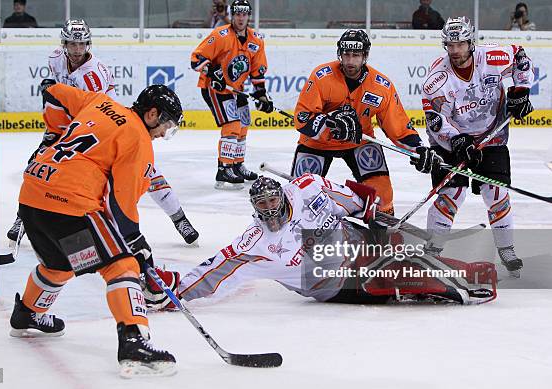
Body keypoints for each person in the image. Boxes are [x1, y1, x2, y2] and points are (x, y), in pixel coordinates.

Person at [9, 80, 183, 377]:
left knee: (59, 263)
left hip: (32, 196)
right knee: (121, 266)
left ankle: (27, 314)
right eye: (166, 125)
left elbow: (53, 90)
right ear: (152, 114)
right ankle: (133, 341)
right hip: (69, 205)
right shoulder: (138, 138)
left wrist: (54, 131)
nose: (164, 133)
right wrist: (136, 244)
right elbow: (122, 202)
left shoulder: (99, 102)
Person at [4, 20, 198, 262]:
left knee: (146, 171)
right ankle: (23, 217)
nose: (77, 50)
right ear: (64, 44)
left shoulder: (92, 75)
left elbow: (92, 111)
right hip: (76, 116)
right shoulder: (55, 58)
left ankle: (179, 218)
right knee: (42, 161)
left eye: (82, 44)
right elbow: (67, 97)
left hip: (102, 120)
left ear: (88, 44)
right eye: (72, 44)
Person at [177, 175, 497, 305]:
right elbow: (212, 270)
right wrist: (174, 291)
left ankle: (467, 273)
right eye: (262, 205)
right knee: (396, 277)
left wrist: (368, 209)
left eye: (272, 201)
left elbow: (350, 200)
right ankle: (457, 289)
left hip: (356, 241)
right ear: (254, 208)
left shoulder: (307, 187)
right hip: (338, 284)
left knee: (404, 251)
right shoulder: (254, 243)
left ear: (282, 196)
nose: (270, 209)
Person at [421, 16, 534, 277]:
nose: (456, 51)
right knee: (450, 195)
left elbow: (520, 57)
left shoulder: (492, 57)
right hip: (450, 141)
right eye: (450, 45)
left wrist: (520, 92)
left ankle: (507, 250)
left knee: (496, 194)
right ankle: (432, 251)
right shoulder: (437, 78)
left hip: (491, 135)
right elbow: (435, 121)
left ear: (471, 42)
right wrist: (458, 141)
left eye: (461, 44)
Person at [291, 29, 440, 215]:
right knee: (299, 198)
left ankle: (381, 233)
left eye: (356, 55)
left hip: (359, 141)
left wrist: (418, 149)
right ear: (340, 54)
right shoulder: (321, 76)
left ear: (365, 56)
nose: (350, 61)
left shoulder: (381, 86)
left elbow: (399, 127)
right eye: (346, 55)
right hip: (316, 143)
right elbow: (302, 118)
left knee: (382, 197)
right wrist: (332, 124)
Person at [191, 0, 273, 190]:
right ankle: (224, 168)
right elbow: (196, 60)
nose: (241, 17)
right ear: (233, 15)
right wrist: (213, 73)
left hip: (237, 88)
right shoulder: (220, 36)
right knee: (232, 124)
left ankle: (237, 165)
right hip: (215, 88)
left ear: (248, 16)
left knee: (243, 125)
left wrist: (262, 96)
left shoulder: (256, 40)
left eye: (244, 14)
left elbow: (257, 72)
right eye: (237, 14)